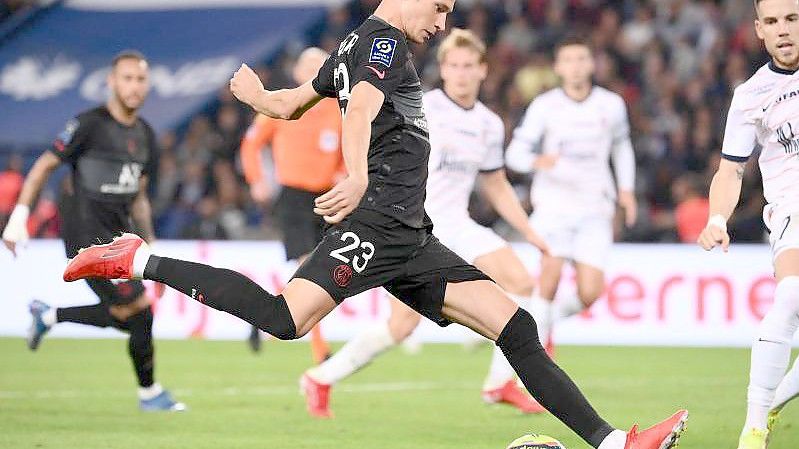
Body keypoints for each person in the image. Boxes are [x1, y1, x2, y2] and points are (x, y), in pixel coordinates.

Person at [63, 1, 686, 447]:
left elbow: (289, 104)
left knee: (517, 327)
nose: (441, 25)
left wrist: (256, 96)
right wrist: (358, 175)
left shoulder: (353, 46)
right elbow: (358, 112)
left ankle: (614, 444)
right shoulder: (383, 42)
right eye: (439, 9)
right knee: (285, 320)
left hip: (411, 235)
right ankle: (137, 259)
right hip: (379, 222)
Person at [299, 28, 550, 418]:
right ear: (443, 70)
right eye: (453, 65)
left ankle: (500, 383)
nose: (461, 73)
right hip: (413, 222)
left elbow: (496, 186)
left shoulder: (489, 124)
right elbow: (372, 133)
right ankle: (321, 378)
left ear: (483, 70)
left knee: (521, 282)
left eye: (469, 66)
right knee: (401, 327)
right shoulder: (424, 105)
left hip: (459, 225)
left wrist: (532, 234)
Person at [1, 51, 184, 411]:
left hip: (120, 238)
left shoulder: (146, 135)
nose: (134, 86)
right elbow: (43, 167)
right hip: (86, 237)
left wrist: (154, 249)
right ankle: (149, 394)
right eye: (127, 78)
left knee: (129, 317)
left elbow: (139, 198)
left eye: (140, 79)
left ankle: (49, 315)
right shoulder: (88, 125)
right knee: (140, 311)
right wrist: (20, 218)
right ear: (111, 83)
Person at [697, 0, 799, 447]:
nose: (783, 30)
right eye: (773, 22)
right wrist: (717, 217)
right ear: (759, 30)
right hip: (791, 211)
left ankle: (773, 401)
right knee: (793, 294)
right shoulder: (752, 94)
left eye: (793, 19)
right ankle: (754, 425)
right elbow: (731, 169)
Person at [505, 36, 637, 356]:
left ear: (592, 64)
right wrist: (537, 161)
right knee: (548, 279)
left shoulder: (611, 105)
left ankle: (539, 325)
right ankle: (532, 354)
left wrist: (626, 191)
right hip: (554, 205)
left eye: (582, 59)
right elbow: (514, 154)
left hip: (595, 207)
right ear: (558, 68)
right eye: (569, 61)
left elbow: (621, 147)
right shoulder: (545, 106)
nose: (576, 67)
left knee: (590, 292)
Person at [239, 47, 343, 361]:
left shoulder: (338, 109)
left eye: (320, 66)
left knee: (320, 271)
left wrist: (344, 173)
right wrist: (257, 179)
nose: (313, 72)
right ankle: (319, 349)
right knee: (308, 266)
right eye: (308, 66)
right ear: (297, 73)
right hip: (294, 197)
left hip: (328, 198)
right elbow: (251, 143)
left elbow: (350, 153)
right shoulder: (282, 103)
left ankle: (265, 319)